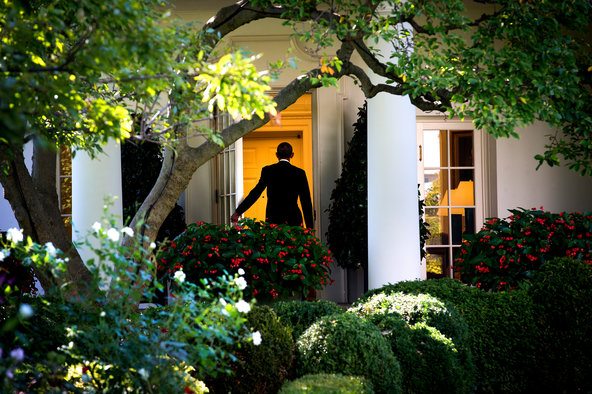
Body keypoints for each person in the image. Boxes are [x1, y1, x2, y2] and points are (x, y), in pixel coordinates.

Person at [231, 142, 313, 228]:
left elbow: (255, 193)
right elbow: (306, 200)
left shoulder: (268, 171)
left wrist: (238, 212)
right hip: (294, 219)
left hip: (273, 219)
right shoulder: (299, 173)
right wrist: (310, 228)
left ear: (277, 155)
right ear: (292, 155)